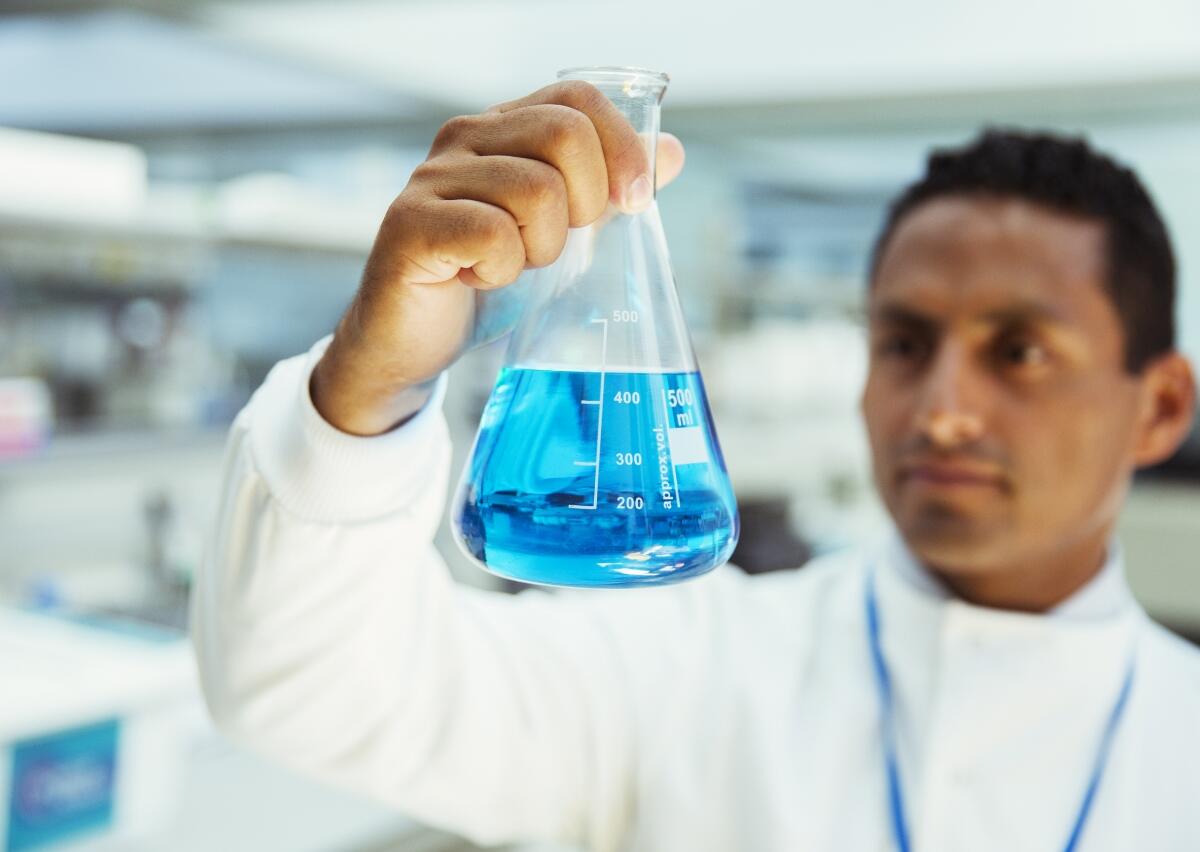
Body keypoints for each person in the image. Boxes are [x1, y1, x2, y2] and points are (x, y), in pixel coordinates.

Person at [191, 80, 1200, 852]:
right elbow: (304, 686)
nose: (939, 412)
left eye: (1018, 353)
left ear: (1159, 409)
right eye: (903, 344)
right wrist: (371, 389)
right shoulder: (691, 662)